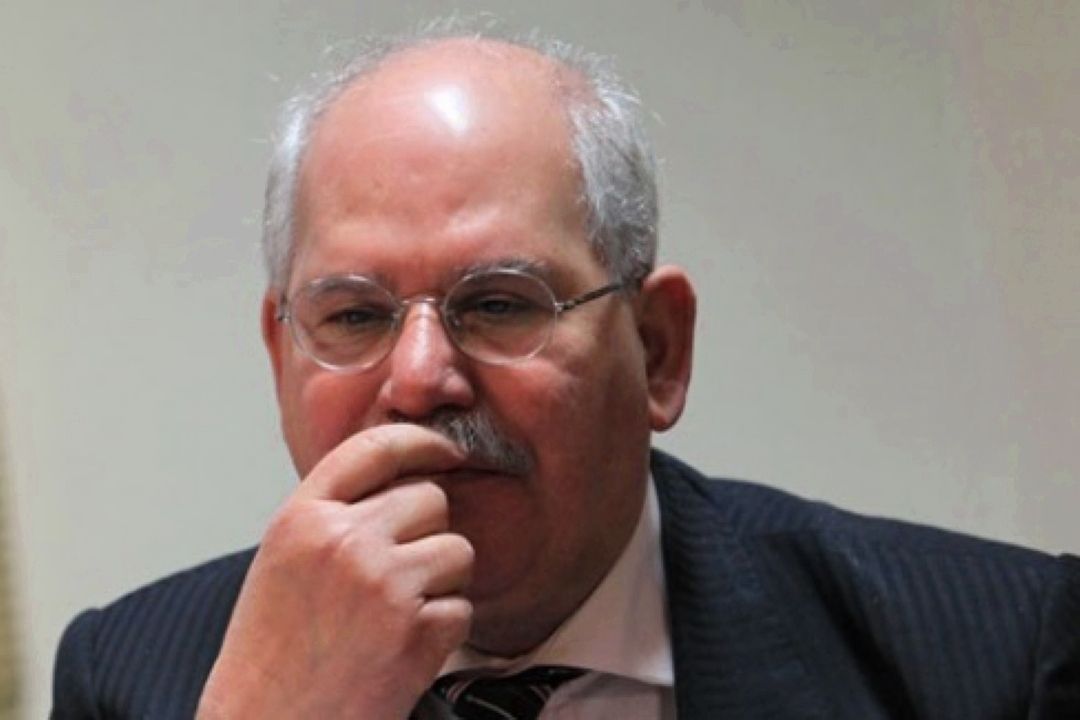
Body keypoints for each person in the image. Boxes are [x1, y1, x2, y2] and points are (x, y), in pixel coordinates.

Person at [51, 26, 1079, 720]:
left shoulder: (990, 656)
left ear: (658, 350)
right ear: (281, 356)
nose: (420, 379)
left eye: (500, 303)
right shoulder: (131, 677)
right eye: (355, 316)